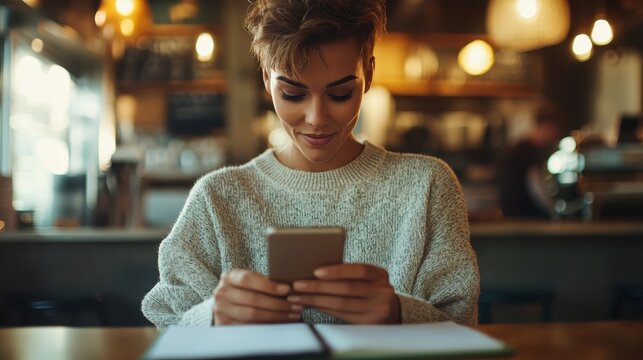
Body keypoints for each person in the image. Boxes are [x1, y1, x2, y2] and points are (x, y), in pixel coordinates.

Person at [142, 0, 479, 329]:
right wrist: (212, 317)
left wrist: (399, 313)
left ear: (369, 74)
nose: (317, 118)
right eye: (293, 94)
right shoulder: (216, 198)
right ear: (266, 79)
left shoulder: (428, 185)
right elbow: (165, 318)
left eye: (341, 94)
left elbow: (463, 324)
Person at [498, 106, 564, 219]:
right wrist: (553, 209)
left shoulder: (522, 148)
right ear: (546, 126)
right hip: (524, 219)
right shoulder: (526, 152)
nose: (556, 135)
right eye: (555, 130)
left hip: (516, 217)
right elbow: (535, 187)